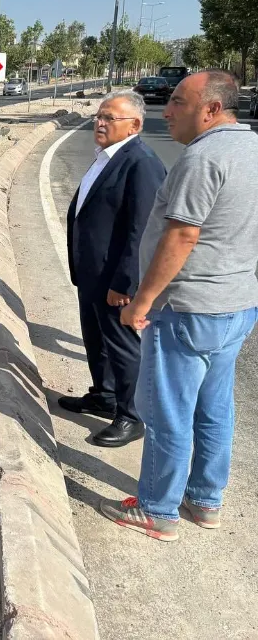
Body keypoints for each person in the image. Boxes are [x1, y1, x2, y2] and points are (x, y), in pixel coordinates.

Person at [100, 70, 258, 541]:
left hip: (188, 308)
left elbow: (183, 234)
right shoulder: (251, 149)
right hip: (236, 305)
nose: (165, 111)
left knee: (169, 411)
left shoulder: (203, 158)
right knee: (214, 407)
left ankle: (158, 510)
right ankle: (205, 500)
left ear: (211, 109)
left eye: (178, 102)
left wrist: (142, 300)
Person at [60, 91, 166, 447]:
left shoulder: (141, 163)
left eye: (110, 118)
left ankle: (131, 415)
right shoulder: (106, 157)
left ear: (134, 125)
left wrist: (125, 283)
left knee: (121, 346)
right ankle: (103, 396)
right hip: (92, 271)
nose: (100, 123)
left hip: (115, 278)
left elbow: (142, 231)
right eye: (98, 117)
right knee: (95, 338)